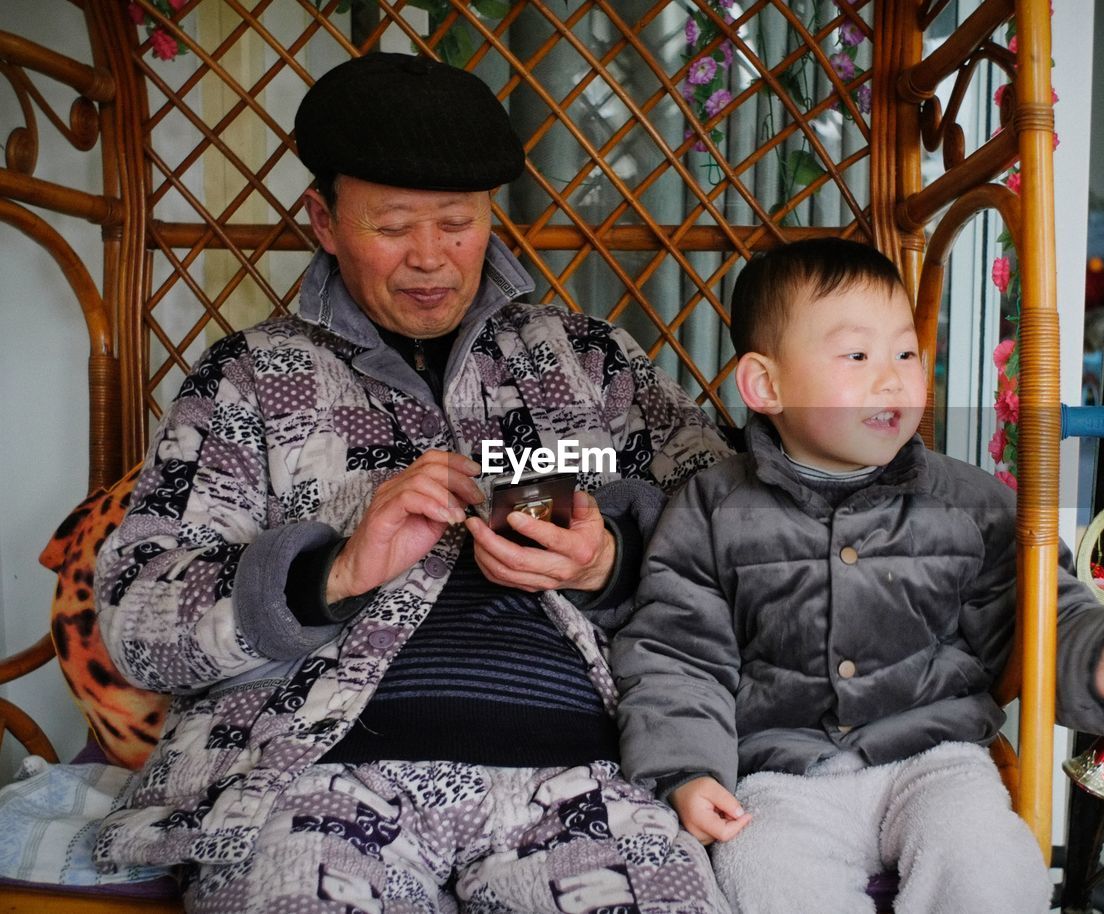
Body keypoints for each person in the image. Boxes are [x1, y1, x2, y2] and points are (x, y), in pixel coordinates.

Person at [92, 52, 732, 914]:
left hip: (583, 777)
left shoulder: (587, 362)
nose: (430, 259)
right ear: (323, 219)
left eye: (458, 224)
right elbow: (135, 622)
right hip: (314, 783)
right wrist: (330, 574)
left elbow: (744, 537)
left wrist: (607, 563)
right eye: (391, 226)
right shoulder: (248, 379)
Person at [611, 238, 1104, 914]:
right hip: (780, 772)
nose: (893, 378)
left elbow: (1036, 609)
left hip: (934, 756)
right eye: (857, 356)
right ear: (767, 385)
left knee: (992, 864)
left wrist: (1096, 660)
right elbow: (677, 651)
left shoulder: (964, 502)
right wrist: (686, 770)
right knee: (759, 871)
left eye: (905, 353)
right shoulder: (713, 509)